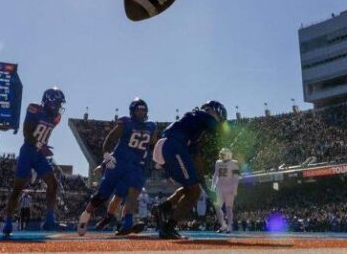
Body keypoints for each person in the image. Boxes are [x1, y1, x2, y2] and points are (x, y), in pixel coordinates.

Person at [77, 98, 157, 236]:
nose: (141, 112)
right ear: (133, 110)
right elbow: (110, 140)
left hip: (134, 166)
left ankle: (127, 222)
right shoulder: (126, 122)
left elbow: (153, 145)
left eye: (143, 110)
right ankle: (85, 216)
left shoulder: (151, 126)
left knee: (131, 194)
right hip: (117, 164)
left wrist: (156, 160)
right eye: (139, 109)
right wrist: (106, 159)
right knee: (102, 195)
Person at [151, 100, 227, 239]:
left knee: (191, 188)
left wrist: (204, 184)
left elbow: (196, 158)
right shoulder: (202, 114)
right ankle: (168, 227)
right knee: (194, 192)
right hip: (173, 146)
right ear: (213, 111)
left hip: (170, 147)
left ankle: (162, 209)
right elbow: (220, 129)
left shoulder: (193, 130)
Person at [2, 88, 66, 236]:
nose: (58, 106)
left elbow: (45, 134)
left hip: (39, 154)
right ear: (48, 101)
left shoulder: (56, 117)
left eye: (59, 104)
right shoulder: (34, 109)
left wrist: (42, 146)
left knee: (53, 183)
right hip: (28, 151)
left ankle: (49, 219)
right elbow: (27, 133)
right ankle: (8, 221)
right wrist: (40, 145)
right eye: (56, 103)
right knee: (18, 188)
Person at [212, 147, 240, 234]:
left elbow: (236, 177)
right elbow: (216, 174)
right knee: (217, 207)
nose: (221, 156)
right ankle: (223, 225)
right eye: (221, 154)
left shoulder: (234, 163)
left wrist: (235, 188)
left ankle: (229, 226)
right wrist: (213, 185)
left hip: (229, 187)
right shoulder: (218, 162)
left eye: (223, 154)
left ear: (228, 155)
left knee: (228, 208)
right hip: (220, 187)